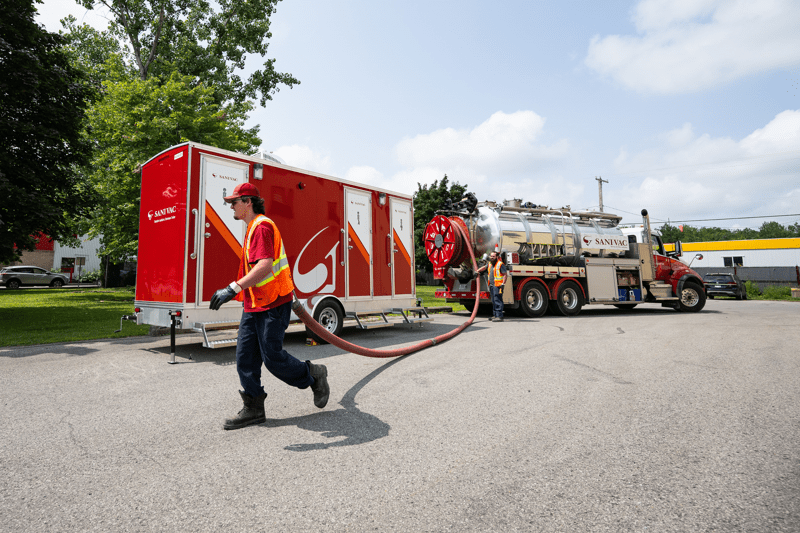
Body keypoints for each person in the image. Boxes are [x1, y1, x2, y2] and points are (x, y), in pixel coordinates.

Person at [209, 182, 330, 430]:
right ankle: (254, 408)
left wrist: (232, 288)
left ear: (248, 202)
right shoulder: (252, 228)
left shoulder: (262, 226)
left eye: (234, 201)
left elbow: (264, 265)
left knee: (273, 359)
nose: (231, 205)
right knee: (245, 358)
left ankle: (313, 375)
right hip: (255, 305)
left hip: (273, 302)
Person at [476, 248, 508, 322]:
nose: (491, 258)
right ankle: (495, 315)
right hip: (492, 285)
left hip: (498, 285)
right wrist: (477, 271)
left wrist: (503, 284)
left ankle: (499, 316)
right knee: (493, 300)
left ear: (497, 257)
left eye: (493, 256)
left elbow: (505, 275)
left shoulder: (500, 264)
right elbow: (484, 267)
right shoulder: (490, 263)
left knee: (498, 300)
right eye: (491, 256)